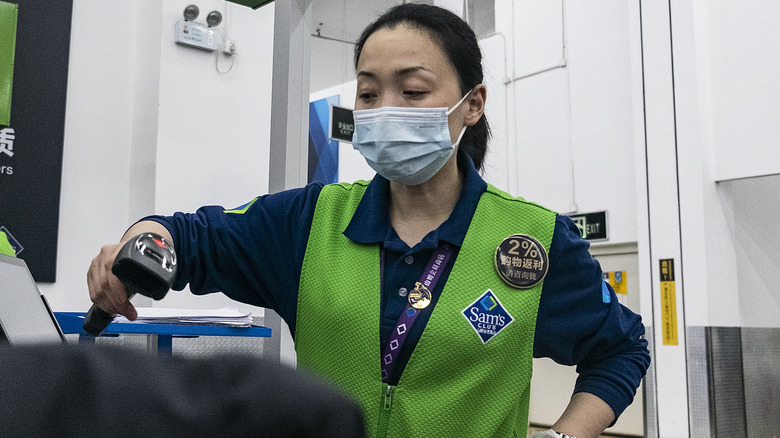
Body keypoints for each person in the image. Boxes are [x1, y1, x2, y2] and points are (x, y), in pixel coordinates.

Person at [88, 4, 650, 437]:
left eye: (412, 91)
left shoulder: (533, 243)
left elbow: (622, 349)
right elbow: (189, 237)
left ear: (472, 104)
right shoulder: (308, 223)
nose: (385, 110)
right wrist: (140, 240)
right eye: (368, 93)